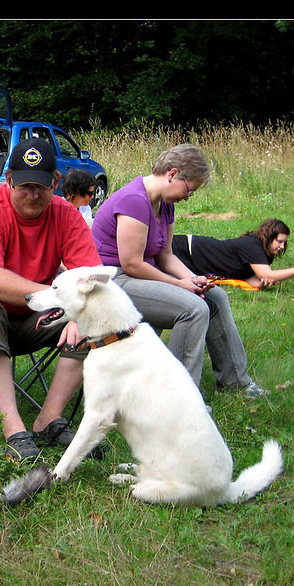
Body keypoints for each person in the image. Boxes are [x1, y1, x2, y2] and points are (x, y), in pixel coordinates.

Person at [0, 138, 102, 461]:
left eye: (41, 186)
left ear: (55, 181)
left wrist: (80, 313)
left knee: (93, 316)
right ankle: (14, 431)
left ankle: (48, 419)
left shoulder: (66, 216)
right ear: (9, 179)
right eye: (24, 186)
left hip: (29, 319)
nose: (33, 195)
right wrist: (61, 299)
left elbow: (92, 279)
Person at [91, 143, 268, 398]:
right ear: (172, 174)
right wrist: (178, 284)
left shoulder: (165, 205)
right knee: (194, 309)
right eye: (189, 190)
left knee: (216, 296)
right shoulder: (134, 201)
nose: (187, 197)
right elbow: (131, 263)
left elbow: (166, 255)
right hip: (112, 280)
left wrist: (193, 279)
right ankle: (179, 397)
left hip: (138, 275)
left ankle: (236, 382)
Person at [172, 218, 294, 289]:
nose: (282, 246)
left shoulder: (264, 255)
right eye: (279, 241)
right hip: (185, 248)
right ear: (269, 237)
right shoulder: (253, 245)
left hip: (193, 262)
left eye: (284, 242)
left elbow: (253, 280)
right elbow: (268, 275)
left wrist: (264, 282)